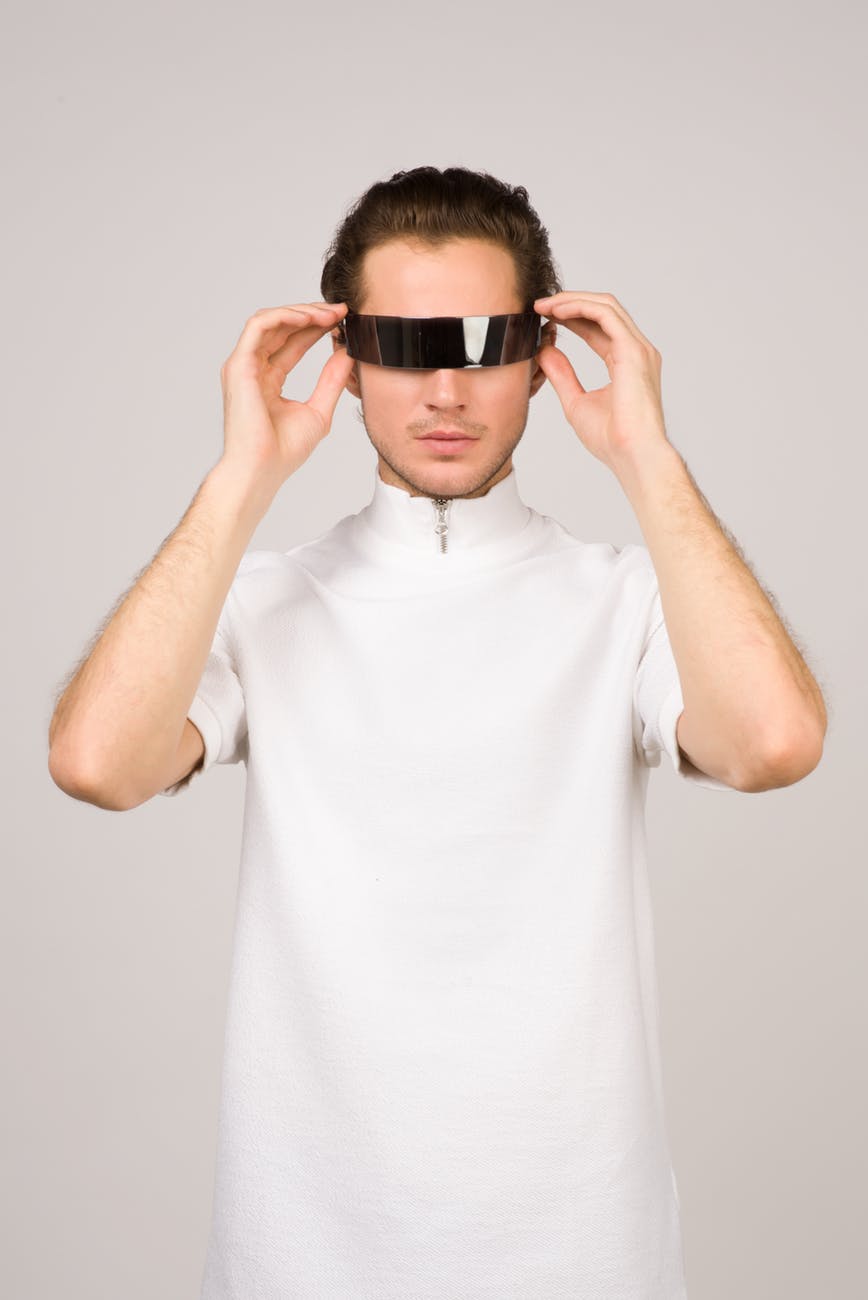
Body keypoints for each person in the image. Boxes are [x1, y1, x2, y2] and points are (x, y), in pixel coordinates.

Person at [48, 166, 827, 1299]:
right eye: (405, 347)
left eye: (482, 341)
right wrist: (240, 476)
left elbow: (771, 745)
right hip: (299, 1251)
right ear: (348, 363)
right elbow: (96, 765)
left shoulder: (624, 599)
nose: (447, 389)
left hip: (581, 1251)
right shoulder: (266, 599)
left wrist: (648, 459)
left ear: (541, 355)